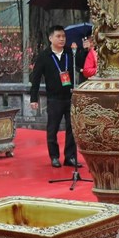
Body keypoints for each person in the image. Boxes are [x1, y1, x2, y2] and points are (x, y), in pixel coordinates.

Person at [29, 25, 80, 168]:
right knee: (53, 129)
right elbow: (36, 78)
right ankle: (54, 156)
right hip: (54, 99)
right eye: (58, 36)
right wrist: (34, 98)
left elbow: (83, 64)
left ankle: (70, 157)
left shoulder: (71, 53)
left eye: (63, 36)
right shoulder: (44, 56)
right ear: (51, 38)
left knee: (72, 129)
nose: (62, 39)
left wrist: (84, 49)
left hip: (70, 97)